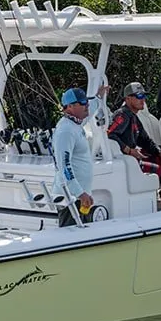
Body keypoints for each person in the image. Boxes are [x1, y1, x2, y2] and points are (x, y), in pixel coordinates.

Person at [108, 82, 161, 209]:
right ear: (128, 99)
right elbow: (110, 134)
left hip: (134, 159)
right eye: (139, 96)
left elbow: (145, 140)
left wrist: (160, 153)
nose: (143, 100)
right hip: (129, 163)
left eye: (143, 96)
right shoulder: (123, 115)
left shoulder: (133, 116)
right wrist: (129, 150)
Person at [52, 87, 95, 224]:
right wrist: (80, 193)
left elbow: (92, 108)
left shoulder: (75, 124)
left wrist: (100, 96)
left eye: (86, 102)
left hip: (78, 198)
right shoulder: (66, 131)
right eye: (83, 103)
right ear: (70, 106)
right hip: (70, 199)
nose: (86, 105)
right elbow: (64, 166)